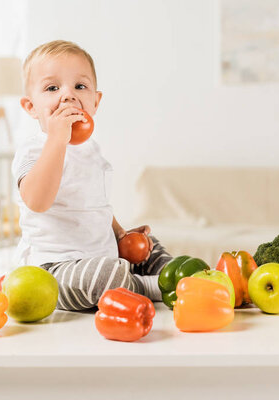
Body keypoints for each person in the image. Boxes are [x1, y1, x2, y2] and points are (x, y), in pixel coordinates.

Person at [12, 40, 172, 311]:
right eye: (52, 88)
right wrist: (56, 141)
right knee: (105, 276)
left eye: (80, 86)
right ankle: (149, 287)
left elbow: (95, 204)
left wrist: (121, 234)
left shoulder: (91, 150)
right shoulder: (34, 150)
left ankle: (176, 274)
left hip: (101, 256)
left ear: (95, 102)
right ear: (30, 107)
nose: (67, 95)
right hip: (54, 270)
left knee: (149, 245)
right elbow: (37, 201)